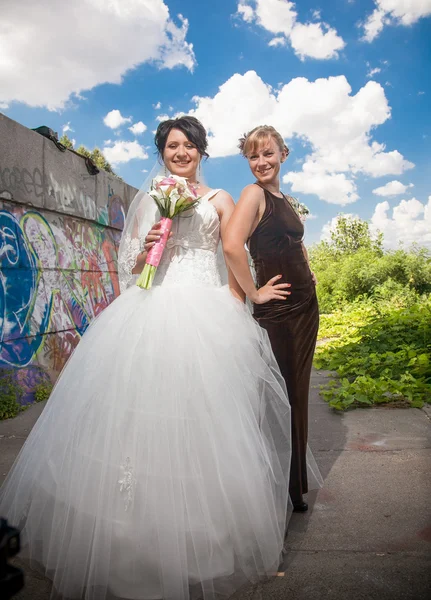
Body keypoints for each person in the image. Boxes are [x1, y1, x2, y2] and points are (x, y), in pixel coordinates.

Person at [0, 117, 293, 600]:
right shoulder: (152, 197)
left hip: (206, 311)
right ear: (163, 153)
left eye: (190, 146)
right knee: (137, 418)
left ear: (202, 151)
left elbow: (232, 252)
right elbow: (128, 261)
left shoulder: (221, 199)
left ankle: (201, 536)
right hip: (153, 306)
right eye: (173, 146)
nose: (181, 153)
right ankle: (130, 539)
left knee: (201, 421)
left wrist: (245, 297)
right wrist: (151, 246)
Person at [224, 125, 320, 512]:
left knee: (297, 395)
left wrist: (309, 270)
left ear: (283, 154)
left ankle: (293, 486)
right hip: (278, 311)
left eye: (268, 154)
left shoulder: (284, 198)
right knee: (280, 399)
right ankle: (273, 485)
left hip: (304, 306)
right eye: (253, 156)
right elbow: (232, 245)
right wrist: (255, 292)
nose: (261, 162)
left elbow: (293, 241)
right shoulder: (253, 194)